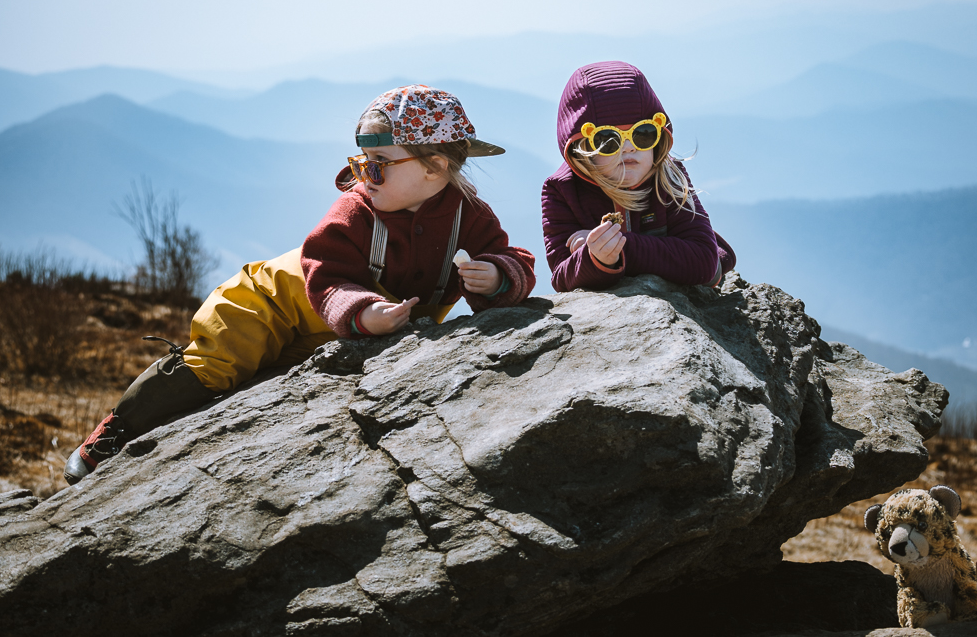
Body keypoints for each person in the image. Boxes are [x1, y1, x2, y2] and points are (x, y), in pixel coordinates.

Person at [65, 85, 536, 484]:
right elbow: (326, 272)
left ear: (433, 167)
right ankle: (117, 432)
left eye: (378, 164)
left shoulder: (469, 216)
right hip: (271, 303)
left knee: (253, 388)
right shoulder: (355, 212)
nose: (363, 176)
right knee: (217, 363)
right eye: (361, 162)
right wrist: (363, 312)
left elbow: (512, 259)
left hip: (327, 337)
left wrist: (496, 277)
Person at [541, 60, 735, 292]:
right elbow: (561, 278)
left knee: (711, 262)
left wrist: (622, 247)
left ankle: (714, 244)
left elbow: (703, 261)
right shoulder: (562, 191)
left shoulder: (668, 175)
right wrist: (595, 257)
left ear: (659, 136)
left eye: (643, 133)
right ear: (581, 149)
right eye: (608, 140)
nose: (629, 147)